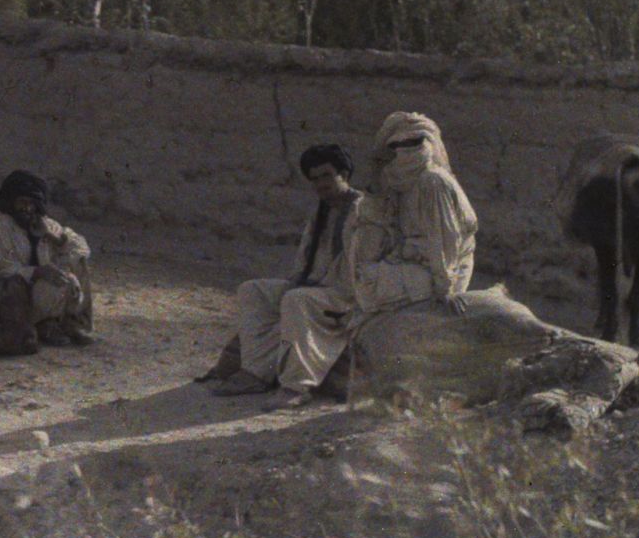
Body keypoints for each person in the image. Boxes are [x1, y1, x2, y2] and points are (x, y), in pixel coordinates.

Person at [267, 111, 478, 410]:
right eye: (398, 145)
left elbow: (446, 241)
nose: (406, 151)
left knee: (364, 281)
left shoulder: (433, 182)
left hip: (441, 269)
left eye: (414, 142)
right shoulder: (401, 184)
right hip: (414, 263)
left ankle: (301, 382)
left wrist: (447, 289)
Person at [199, 143, 360, 395]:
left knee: (296, 300)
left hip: (344, 294)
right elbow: (306, 256)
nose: (321, 184)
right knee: (252, 290)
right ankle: (255, 372)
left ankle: (297, 386)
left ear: (344, 174)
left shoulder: (363, 211)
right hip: (314, 287)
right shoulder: (321, 210)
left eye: (327, 176)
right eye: (315, 179)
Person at [0, 170, 95, 346]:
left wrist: (53, 237)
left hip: (43, 286)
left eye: (31, 204)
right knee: (51, 282)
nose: (27, 208)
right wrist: (37, 272)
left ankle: (72, 323)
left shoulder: (42, 222)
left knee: (78, 261)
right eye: (22, 203)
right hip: (15, 292)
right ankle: (43, 326)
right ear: (11, 202)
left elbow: (79, 244)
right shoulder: (2, 226)